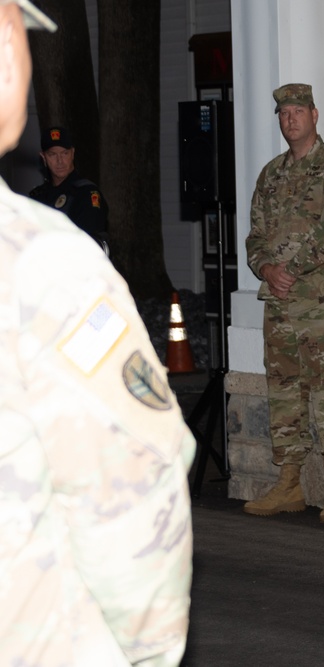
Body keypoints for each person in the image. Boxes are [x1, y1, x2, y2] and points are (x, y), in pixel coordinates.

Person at [0, 2, 195, 665]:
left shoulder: (79, 199)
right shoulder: (36, 250)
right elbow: (130, 482)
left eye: (61, 149)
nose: (52, 156)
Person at [244, 83, 324, 524]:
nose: (289, 119)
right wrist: (265, 269)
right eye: (283, 113)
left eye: (297, 111)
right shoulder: (270, 174)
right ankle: (289, 482)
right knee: (284, 391)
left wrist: (288, 271)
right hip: (278, 303)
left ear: (314, 115)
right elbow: (254, 236)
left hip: (319, 301)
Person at [28, 125, 110, 253]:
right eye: (52, 154)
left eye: (64, 153)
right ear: (43, 157)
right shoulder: (37, 196)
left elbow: (89, 246)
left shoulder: (85, 193)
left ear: (73, 153)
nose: (60, 161)